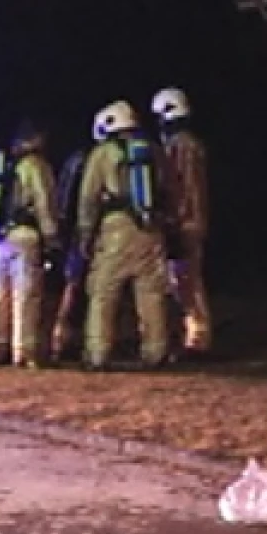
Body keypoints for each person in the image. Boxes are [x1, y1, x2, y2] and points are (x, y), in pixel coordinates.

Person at [78, 100, 170, 370]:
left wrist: (85, 233)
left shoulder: (103, 153)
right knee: (151, 292)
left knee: (103, 292)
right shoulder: (153, 150)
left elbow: (88, 197)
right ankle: (156, 351)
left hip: (116, 228)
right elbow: (167, 187)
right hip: (151, 227)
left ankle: (98, 352)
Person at [0, 119, 61, 368]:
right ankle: (24, 350)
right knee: (25, 294)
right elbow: (44, 202)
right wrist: (51, 237)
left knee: (0, 293)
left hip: (1, 235)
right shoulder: (36, 166)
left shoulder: (7, 164)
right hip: (27, 235)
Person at [152, 87, 213, 358]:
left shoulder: (179, 146)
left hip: (184, 221)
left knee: (185, 282)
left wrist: (172, 220)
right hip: (193, 220)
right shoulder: (192, 144)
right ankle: (192, 335)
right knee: (186, 281)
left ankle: (196, 339)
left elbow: (178, 188)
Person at [48, 130, 93, 361]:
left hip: (77, 233)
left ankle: (63, 339)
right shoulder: (92, 160)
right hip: (89, 233)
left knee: (74, 287)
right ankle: (66, 339)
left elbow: (64, 199)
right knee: (79, 289)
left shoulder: (76, 159)